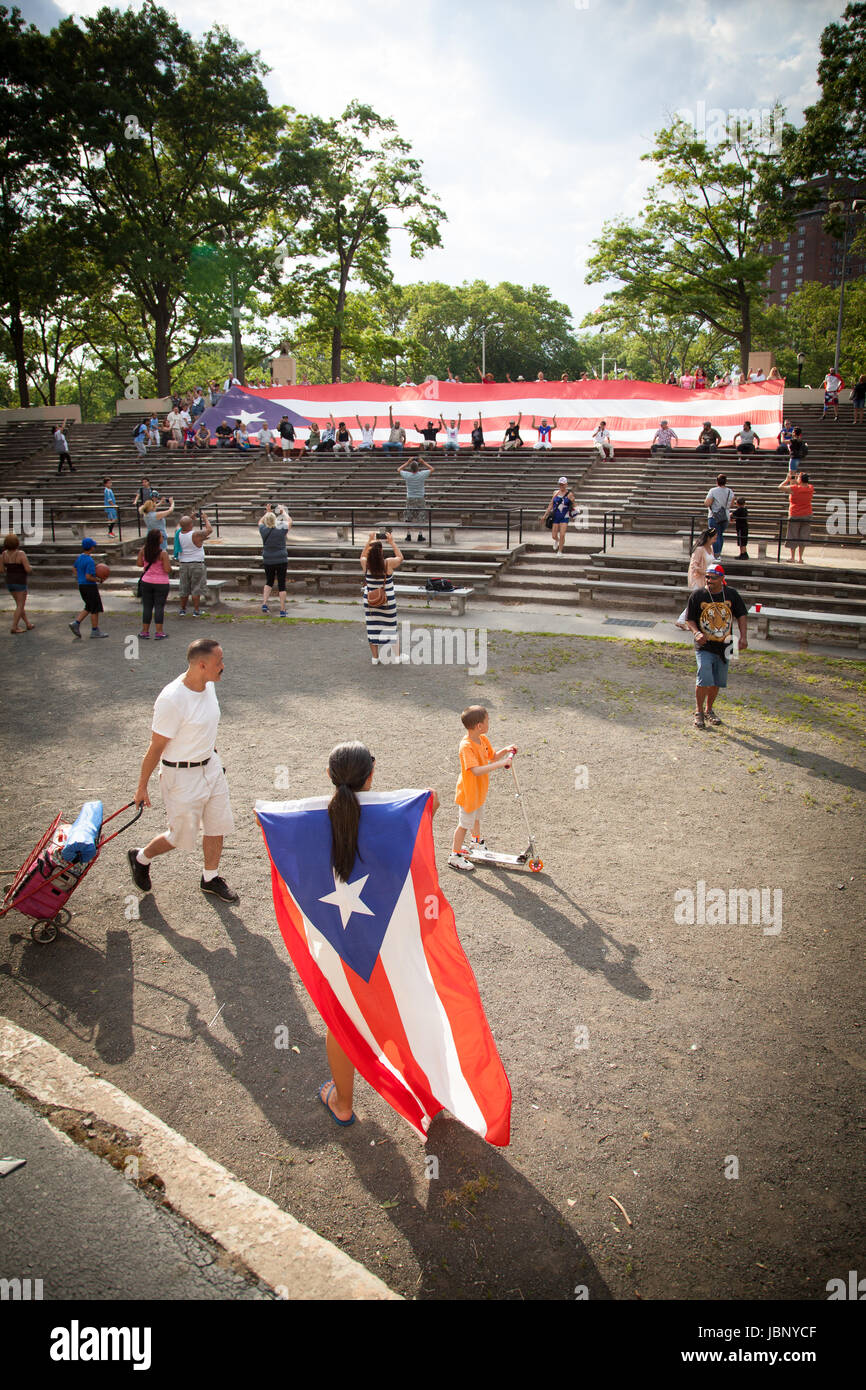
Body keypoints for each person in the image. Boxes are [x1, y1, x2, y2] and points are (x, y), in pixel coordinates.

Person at [312, 740, 441, 1124]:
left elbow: (266, 822)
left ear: (330, 777)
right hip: (390, 939)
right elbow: (431, 802)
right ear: (371, 776)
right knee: (405, 1012)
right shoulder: (396, 815)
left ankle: (343, 1103)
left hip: (344, 942)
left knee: (343, 1022)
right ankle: (428, 1096)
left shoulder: (312, 819)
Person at [129, 638, 238, 903]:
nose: (223, 666)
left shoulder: (208, 685)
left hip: (210, 767)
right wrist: (142, 787)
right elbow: (155, 747)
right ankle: (141, 857)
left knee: (217, 825)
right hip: (181, 776)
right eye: (218, 662)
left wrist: (212, 754)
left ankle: (210, 878)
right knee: (180, 836)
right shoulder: (172, 699)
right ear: (202, 665)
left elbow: (205, 724)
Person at [448, 706, 517, 872]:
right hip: (469, 792)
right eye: (487, 721)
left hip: (479, 790)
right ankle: (454, 855)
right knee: (464, 824)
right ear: (479, 725)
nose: (489, 723)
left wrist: (505, 751)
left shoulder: (483, 739)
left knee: (476, 818)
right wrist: (500, 765)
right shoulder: (466, 746)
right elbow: (476, 770)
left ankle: (476, 842)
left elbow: (492, 756)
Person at [684, 564, 748, 730]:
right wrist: (696, 633)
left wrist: (743, 637)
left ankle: (709, 709)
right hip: (704, 644)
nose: (708, 580)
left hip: (727, 643)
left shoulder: (732, 594)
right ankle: (698, 711)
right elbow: (689, 619)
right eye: (707, 577)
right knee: (704, 675)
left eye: (712, 577)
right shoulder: (698, 595)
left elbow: (742, 615)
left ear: (721, 578)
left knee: (718, 680)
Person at [360, 532, 403, 664]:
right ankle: (396, 656)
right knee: (391, 627)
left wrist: (369, 540)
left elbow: (362, 555)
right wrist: (392, 542)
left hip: (371, 601)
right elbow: (400, 557)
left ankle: (375, 658)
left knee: (372, 628)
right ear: (381, 552)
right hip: (387, 600)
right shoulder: (388, 563)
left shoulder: (365, 563)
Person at [675, 528, 715, 629]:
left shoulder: (711, 548)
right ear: (709, 538)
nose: (716, 539)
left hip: (707, 579)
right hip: (698, 579)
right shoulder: (699, 550)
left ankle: (701, 621)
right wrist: (706, 572)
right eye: (714, 537)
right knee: (697, 601)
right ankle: (681, 620)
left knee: (704, 601)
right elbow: (694, 566)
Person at [69, 537, 108, 639]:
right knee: (95, 609)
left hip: (82, 585)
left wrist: (79, 577)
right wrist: (99, 580)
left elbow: (74, 568)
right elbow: (89, 577)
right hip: (89, 586)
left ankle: (76, 623)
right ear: (91, 547)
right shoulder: (89, 560)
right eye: (93, 546)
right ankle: (95, 631)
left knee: (89, 606)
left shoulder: (80, 557)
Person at [137, 526, 171, 639]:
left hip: (146, 581)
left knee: (147, 607)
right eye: (161, 536)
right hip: (161, 583)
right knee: (159, 607)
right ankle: (159, 632)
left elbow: (139, 564)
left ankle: (145, 631)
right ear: (158, 539)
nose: (163, 538)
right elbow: (167, 569)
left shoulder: (143, 550)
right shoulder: (163, 553)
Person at [176, 510, 211, 617]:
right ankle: (196, 610)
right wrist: (205, 518)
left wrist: (190, 518)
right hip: (196, 564)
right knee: (196, 588)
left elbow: (179, 525)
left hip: (183, 564)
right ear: (191, 525)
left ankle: (182, 609)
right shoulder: (195, 534)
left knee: (184, 587)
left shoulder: (178, 533)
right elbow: (209, 530)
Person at [259, 505, 292, 616]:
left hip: (268, 558)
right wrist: (283, 513)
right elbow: (290, 521)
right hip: (281, 558)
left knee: (269, 581)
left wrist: (267, 512)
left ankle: (264, 603)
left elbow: (260, 521)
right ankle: (282, 609)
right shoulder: (281, 529)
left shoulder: (263, 529)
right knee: (281, 584)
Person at [1, 532, 34, 633]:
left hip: (9, 580)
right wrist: (31, 568)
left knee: (19, 605)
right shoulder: (20, 554)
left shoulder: (3, 554)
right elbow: (27, 569)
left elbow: (1, 570)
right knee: (20, 605)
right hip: (20, 581)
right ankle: (14, 627)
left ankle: (28, 624)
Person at [779, 469, 814, 563]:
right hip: (807, 514)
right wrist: (795, 478)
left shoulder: (795, 488)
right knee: (803, 536)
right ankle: (800, 558)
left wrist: (787, 479)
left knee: (793, 535)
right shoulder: (810, 488)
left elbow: (780, 487)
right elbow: (799, 485)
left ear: (801, 480)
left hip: (795, 513)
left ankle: (792, 557)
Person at [398, 457, 433, 542]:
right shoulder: (422, 474)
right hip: (420, 497)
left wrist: (407, 462)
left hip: (410, 497)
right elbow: (432, 468)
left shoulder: (407, 475)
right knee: (421, 515)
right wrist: (423, 462)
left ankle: (408, 534)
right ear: (418, 468)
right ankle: (420, 534)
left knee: (408, 516)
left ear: (410, 468)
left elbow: (399, 469)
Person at [704, 473, 735, 559]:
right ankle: (718, 553)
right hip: (725, 516)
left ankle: (716, 555)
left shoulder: (713, 491)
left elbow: (707, 503)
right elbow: (731, 504)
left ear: (717, 481)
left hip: (714, 516)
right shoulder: (730, 491)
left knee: (714, 535)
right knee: (720, 534)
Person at [542, 477, 572, 555]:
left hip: (564, 516)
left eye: (563, 484)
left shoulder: (570, 494)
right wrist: (545, 515)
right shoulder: (555, 493)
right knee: (554, 535)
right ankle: (557, 540)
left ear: (566, 484)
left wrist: (575, 511)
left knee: (562, 534)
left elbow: (574, 505)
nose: (561, 486)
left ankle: (560, 551)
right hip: (556, 516)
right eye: (560, 484)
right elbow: (551, 504)